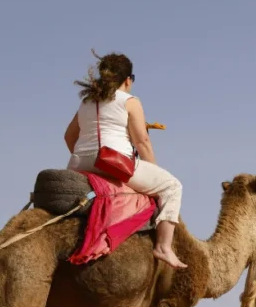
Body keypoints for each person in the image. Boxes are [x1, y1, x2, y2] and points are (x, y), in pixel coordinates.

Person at [63, 52, 187, 269]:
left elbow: (69, 136)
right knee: (172, 186)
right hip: (114, 164)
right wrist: (153, 171)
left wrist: (86, 157)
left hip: (78, 164)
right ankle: (164, 247)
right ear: (128, 79)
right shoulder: (130, 101)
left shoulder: (86, 102)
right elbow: (142, 142)